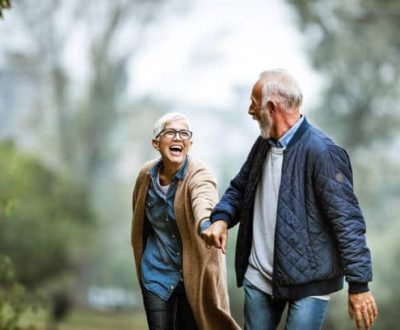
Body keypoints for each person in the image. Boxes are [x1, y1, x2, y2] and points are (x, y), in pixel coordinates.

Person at [201, 69, 378, 330]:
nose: (250, 110)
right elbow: (239, 189)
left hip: (310, 282)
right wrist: (221, 219)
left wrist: (359, 285)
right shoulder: (262, 145)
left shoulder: (323, 152)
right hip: (259, 277)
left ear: (270, 107)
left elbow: (347, 222)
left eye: (253, 102)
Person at [131, 112, 240, 330]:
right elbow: (139, 219)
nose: (178, 138)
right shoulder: (145, 176)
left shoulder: (198, 173)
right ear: (156, 143)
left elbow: (204, 200)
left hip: (193, 275)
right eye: (170, 132)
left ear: (189, 144)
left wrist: (206, 225)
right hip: (156, 272)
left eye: (183, 134)